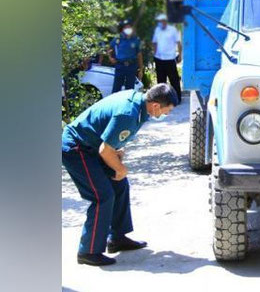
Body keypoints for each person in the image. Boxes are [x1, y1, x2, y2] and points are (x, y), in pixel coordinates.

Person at [61, 84, 178, 266]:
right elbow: (105, 151)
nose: (166, 115)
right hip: (77, 147)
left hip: (92, 145)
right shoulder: (128, 114)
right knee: (103, 196)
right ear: (155, 105)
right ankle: (88, 251)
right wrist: (121, 168)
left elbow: (110, 139)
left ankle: (117, 238)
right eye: (166, 110)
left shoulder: (139, 104)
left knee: (120, 184)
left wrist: (117, 151)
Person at [151, 13, 183, 104]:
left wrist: (180, 55)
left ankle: (177, 99)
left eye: (162, 21)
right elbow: (154, 43)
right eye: (160, 21)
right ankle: (162, 100)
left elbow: (179, 43)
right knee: (161, 81)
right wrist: (154, 54)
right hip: (159, 59)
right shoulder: (157, 30)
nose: (161, 23)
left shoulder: (172, 30)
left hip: (170, 58)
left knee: (174, 80)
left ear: (166, 21)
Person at [108, 20, 143, 93]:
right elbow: (109, 49)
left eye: (129, 27)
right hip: (120, 66)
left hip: (131, 67)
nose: (128, 29)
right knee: (116, 89)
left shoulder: (136, 40)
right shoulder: (117, 39)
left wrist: (141, 69)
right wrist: (110, 58)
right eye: (126, 27)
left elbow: (139, 55)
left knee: (130, 90)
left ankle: (128, 104)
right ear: (122, 29)